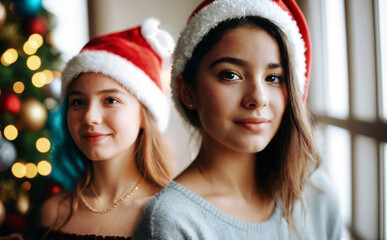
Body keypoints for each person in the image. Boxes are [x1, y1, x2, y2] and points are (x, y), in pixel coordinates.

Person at [133, 0, 343, 239]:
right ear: (187, 91)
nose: (258, 99)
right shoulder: (172, 221)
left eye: (274, 78)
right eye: (230, 75)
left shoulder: (317, 193)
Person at [38, 18, 175, 239]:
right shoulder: (54, 212)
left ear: (143, 116)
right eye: (78, 102)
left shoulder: (170, 215)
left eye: (110, 100)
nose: (89, 117)